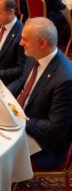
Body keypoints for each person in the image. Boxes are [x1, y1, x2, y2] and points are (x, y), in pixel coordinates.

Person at [8, 18, 72, 169]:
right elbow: (22, 82)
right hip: (21, 116)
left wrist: (18, 119)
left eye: (25, 39)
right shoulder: (34, 55)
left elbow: (54, 129)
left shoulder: (65, 80)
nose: (20, 43)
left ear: (42, 43)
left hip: (42, 143)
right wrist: (2, 94)